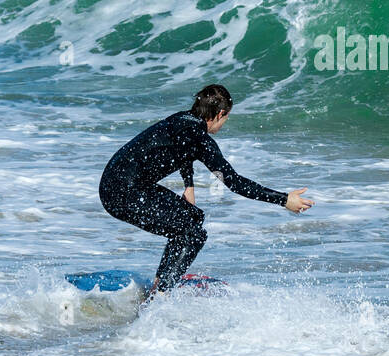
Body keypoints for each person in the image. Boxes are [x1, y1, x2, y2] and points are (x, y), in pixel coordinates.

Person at [99, 84, 313, 294]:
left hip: (113, 184)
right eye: (227, 117)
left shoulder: (180, 119)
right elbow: (234, 182)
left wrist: (189, 186)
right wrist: (283, 199)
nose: (224, 123)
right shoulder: (201, 140)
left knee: (191, 218)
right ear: (220, 114)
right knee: (193, 234)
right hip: (125, 193)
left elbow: (182, 148)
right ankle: (161, 294)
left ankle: (160, 282)